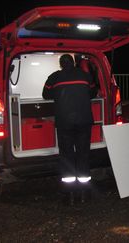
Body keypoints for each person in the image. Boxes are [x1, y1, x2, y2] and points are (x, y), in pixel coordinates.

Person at [42, 54, 95, 205]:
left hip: (65, 123)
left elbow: (45, 95)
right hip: (84, 121)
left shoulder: (54, 77)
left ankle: (70, 195)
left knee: (67, 156)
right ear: (73, 63)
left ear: (60, 64)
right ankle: (85, 194)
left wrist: (59, 94)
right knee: (83, 154)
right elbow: (92, 93)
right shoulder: (85, 76)